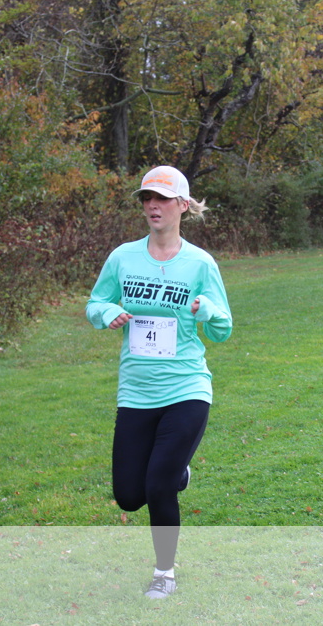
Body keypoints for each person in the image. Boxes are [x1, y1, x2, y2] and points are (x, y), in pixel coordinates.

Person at [86, 165, 233, 599]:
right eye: (147, 198)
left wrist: (208, 310)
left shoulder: (200, 264)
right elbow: (95, 302)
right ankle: (179, 471)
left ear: (182, 206)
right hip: (136, 392)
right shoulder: (123, 257)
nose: (153, 205)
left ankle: (164, 573)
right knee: (129, 496)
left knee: (158, 484)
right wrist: (106, 312)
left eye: (162, 199)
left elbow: (223, 328)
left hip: (186, 387)